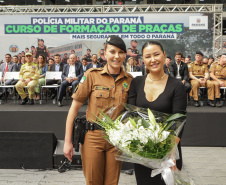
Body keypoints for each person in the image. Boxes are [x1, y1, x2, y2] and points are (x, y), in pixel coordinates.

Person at [63, 35, 133, 185]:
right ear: (104, 53)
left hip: (116, 139)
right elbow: (74, 109)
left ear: (124, 55)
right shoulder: (92, 76)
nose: (116, 56)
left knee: (112, 182)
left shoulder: (129, 80)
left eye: (121, 52)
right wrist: (67, 141)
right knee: (93, 181)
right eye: (112, 52)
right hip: (93, 137)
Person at [128, 41, 187, 185]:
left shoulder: (176, 85)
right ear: (143, 60)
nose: (153, 59)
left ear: (164, 55)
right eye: (148, 56)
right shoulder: (136, 82)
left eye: (156, 54)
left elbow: (179, 121)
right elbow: (131, 114)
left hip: (168, 153)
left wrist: (170, 153)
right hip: (142, 153)